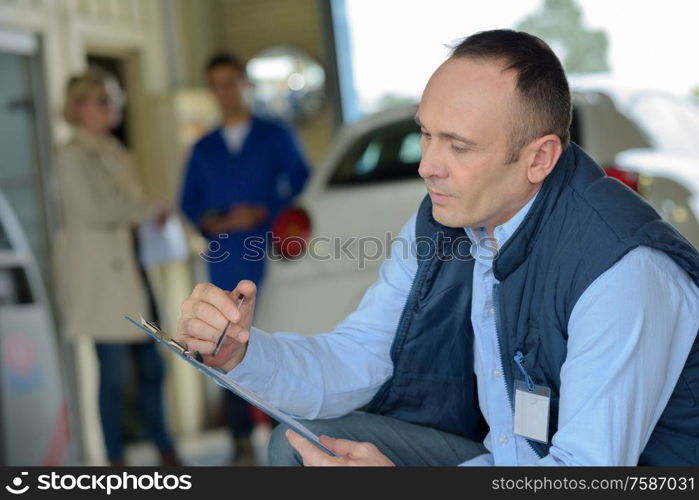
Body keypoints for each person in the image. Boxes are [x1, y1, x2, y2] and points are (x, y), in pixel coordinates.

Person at [174, 30, 699, 466]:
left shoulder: (623, 271)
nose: (427, 166)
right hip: (505, 460)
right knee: (299, 445)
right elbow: (361, 357)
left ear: (539, 158)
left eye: (459, 145)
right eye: (426, 135)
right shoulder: (447, 223)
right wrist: (242, 353)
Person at [179, 53, 311, 464]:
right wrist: (214, 222)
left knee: (272, 341)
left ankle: (282, 432)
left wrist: (263, 212)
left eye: (231, 81)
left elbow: (303, 185)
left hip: (268, 253)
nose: (225, 91)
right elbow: (189, 203)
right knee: (223, 341)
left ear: (245, 85)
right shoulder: (203, 147)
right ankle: (239, 439)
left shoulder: (275, 134)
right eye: (216, 84)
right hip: (224, 257)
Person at [54, 68, 180, 466]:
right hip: (102, 284)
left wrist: (150, 210)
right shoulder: (71, 155)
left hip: (134, 272)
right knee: (113, 376)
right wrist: (148, 208)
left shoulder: (117, 152)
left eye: (115, 99)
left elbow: (128, 207)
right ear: (78, 108)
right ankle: (113, 459)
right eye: (103, 100)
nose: (113, 107)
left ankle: (165, 447)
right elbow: (93, 209)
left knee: (153, 368)